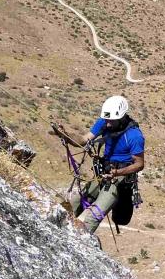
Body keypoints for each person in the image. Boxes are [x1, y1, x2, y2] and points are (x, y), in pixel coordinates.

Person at [52, 95, 145, 234]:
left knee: (93, 216)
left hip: (119, 179)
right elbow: (83, 140)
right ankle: (53, 226)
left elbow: (139, 164)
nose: (107, 124)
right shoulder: (105, 121)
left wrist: (118, 173)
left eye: (111, 121)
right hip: (104, 172)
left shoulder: (134, 136)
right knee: (75, 202)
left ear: (121, 117)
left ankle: (79, 241)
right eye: (106, 120)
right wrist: (66, 135)